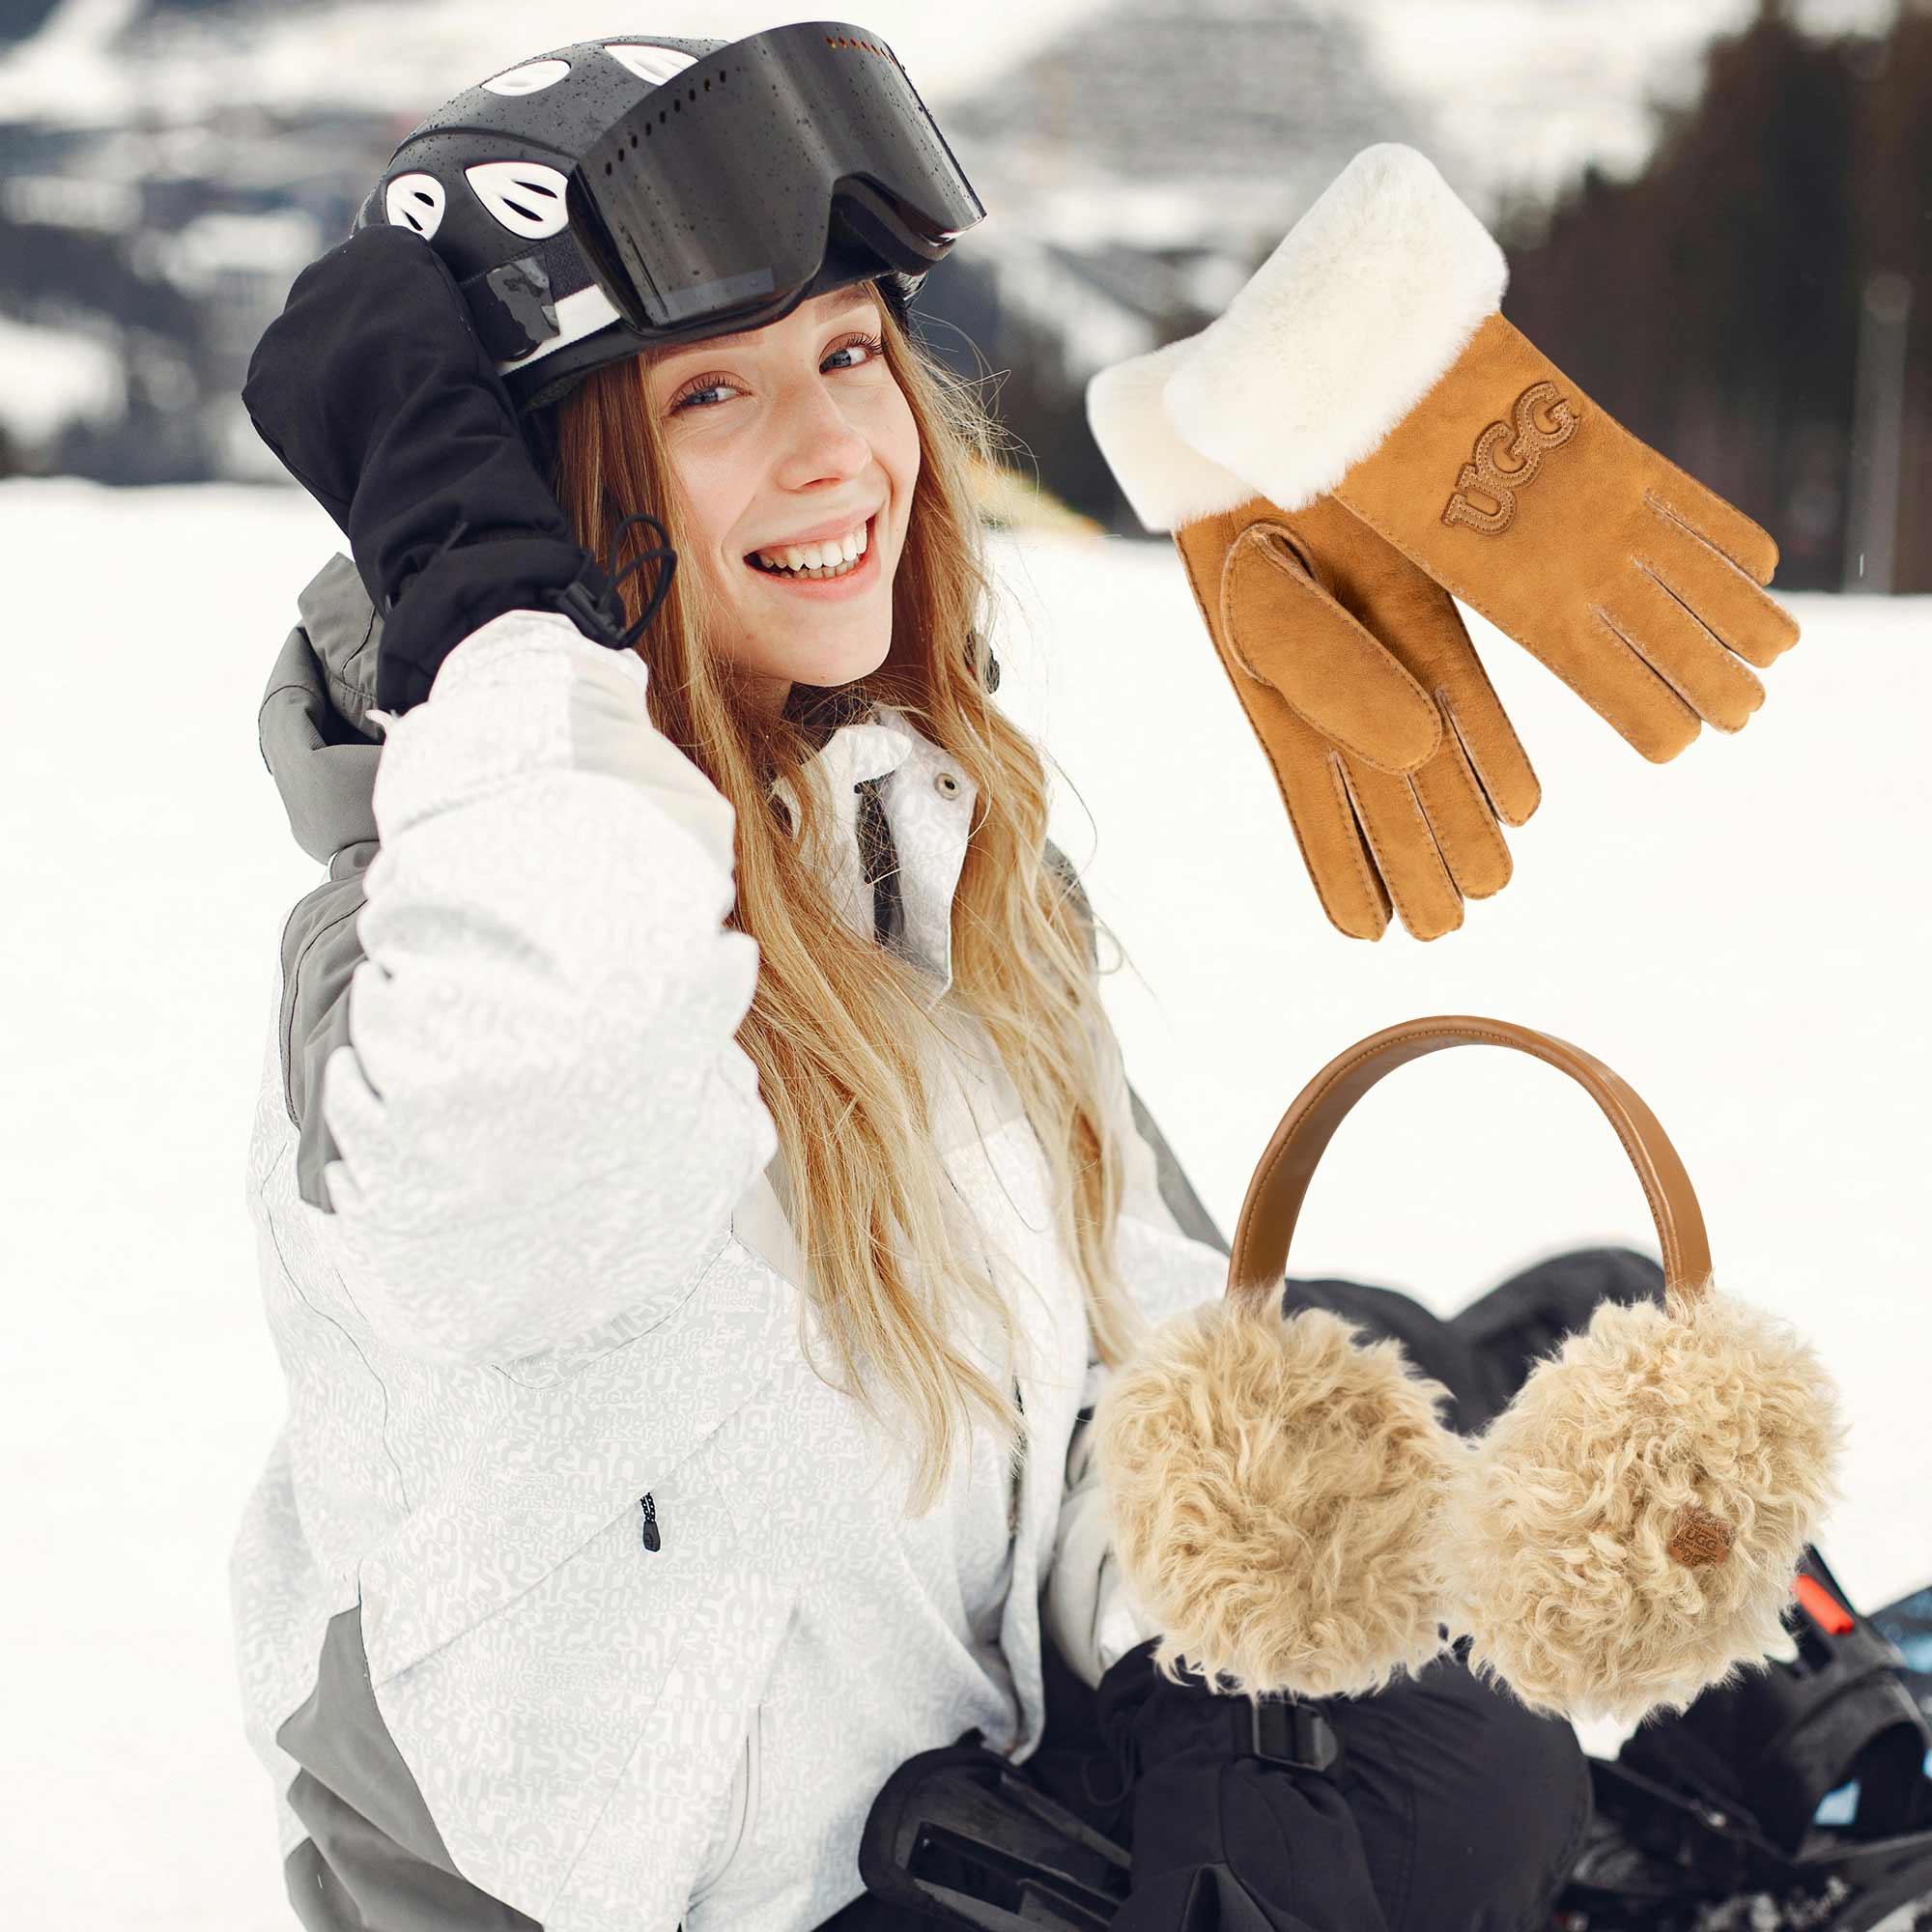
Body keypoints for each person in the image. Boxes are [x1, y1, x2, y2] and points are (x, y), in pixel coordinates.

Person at [234, 28, 1611, 1932]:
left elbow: (1118, 1315)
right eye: (708, 391)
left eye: (850, 352)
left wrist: (1185, 1654)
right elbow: (557, 1066)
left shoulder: (911, 836)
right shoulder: (417, 970)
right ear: (535, 490)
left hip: (955, 1823)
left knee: (1444, 1566)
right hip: (650, 1902)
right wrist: (481, 595)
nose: (834, 453)